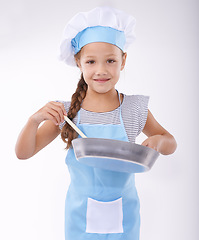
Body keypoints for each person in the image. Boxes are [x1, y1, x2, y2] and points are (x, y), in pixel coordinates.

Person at [15, 6, 177, 240]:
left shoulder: (133, 109)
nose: (101, 70)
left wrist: (159, 142)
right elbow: (23, 153)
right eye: (91, 61)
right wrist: (34, 120)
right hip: (79, 218)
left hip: (125, 217)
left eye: (110, 60)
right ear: (78, 62)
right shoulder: (68, 113)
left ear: (123, 61)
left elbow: (171, 142)